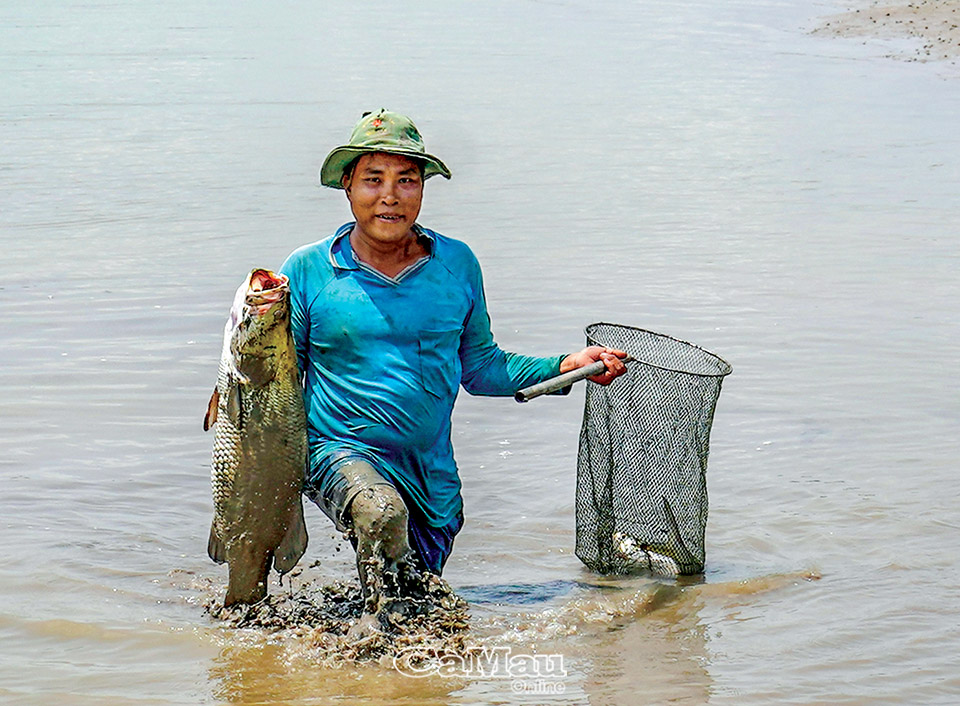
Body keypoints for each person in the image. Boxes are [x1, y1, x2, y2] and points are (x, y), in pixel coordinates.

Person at [280, 109, 626, 620]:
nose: (390, 196)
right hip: (337, 450)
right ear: (348, 185)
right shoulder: (308, 269)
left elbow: (482, 367)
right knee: (379, 516)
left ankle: (387, 673)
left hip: (430, 475)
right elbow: (274, 383)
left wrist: (567, 365)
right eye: (373, 180)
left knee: (414, 604)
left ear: (423, 189)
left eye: (407, 180)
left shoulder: (456, 263)